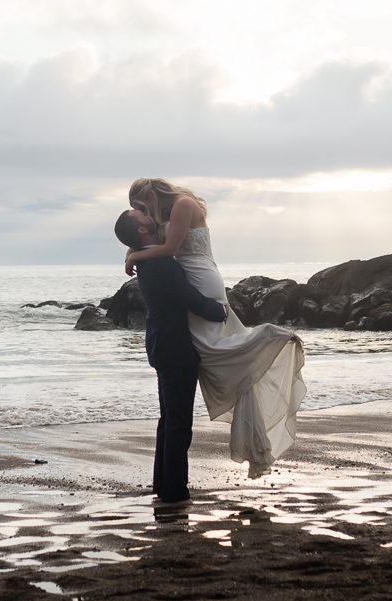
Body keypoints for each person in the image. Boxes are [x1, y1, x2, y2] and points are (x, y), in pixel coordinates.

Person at [124, 178, 305, 478]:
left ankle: (268, 339)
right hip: (188, 280)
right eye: (137, 210)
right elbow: (150, 240)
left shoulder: (182, 204)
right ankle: (248, 361)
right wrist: (133, 249)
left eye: (142, 206)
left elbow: (169, 249)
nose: (144, 212)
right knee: (209, 348)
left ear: (153, 195)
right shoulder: (162, 217)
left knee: (215, 344)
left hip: (200, 278)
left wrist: (135, 255)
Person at [115, 207, 227, 506]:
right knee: (178, 423)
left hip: (161, 344)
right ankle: (175, 492)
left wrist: (133, 254)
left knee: (169, 420)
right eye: (141, 215)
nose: (148, 214)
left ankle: (162, 484)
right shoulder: (162, 264)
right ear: (142, 230)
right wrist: (221, 311)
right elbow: (190, 300)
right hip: (175, 348)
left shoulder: (150, 262)